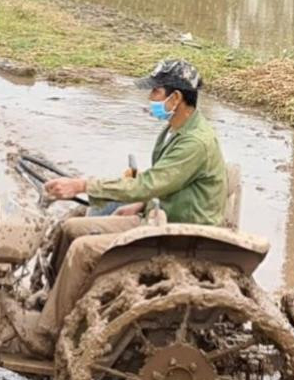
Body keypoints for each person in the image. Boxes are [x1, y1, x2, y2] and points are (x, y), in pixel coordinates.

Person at [34, 58, 226, 341]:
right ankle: (55, 302)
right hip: (159, 215)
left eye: (156, 93)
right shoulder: (176, 130)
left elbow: (149, 183)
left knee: (82, 250)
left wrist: (82, 185)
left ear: (176, 97)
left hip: (178, 231)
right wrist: (141, 202)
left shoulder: (195, 142)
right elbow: (165, 179)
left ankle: (49, 334)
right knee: (70, 229)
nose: (150, 98)